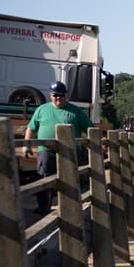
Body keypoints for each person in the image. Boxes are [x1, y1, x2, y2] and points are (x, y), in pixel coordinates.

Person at [24, 81, 93, 216]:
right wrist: (27, 145)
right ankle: (44, 208)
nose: (58, 98)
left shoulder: (75, 111)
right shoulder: (42, 109)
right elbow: (31, 128)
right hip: (46, 149)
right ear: (50, 95)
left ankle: (70, 208)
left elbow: (90, 129)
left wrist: (89, 145)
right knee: (44, 178)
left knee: (69, 179)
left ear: (66, 95)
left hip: (68, 151)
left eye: (61, 95)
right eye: (55, 95)